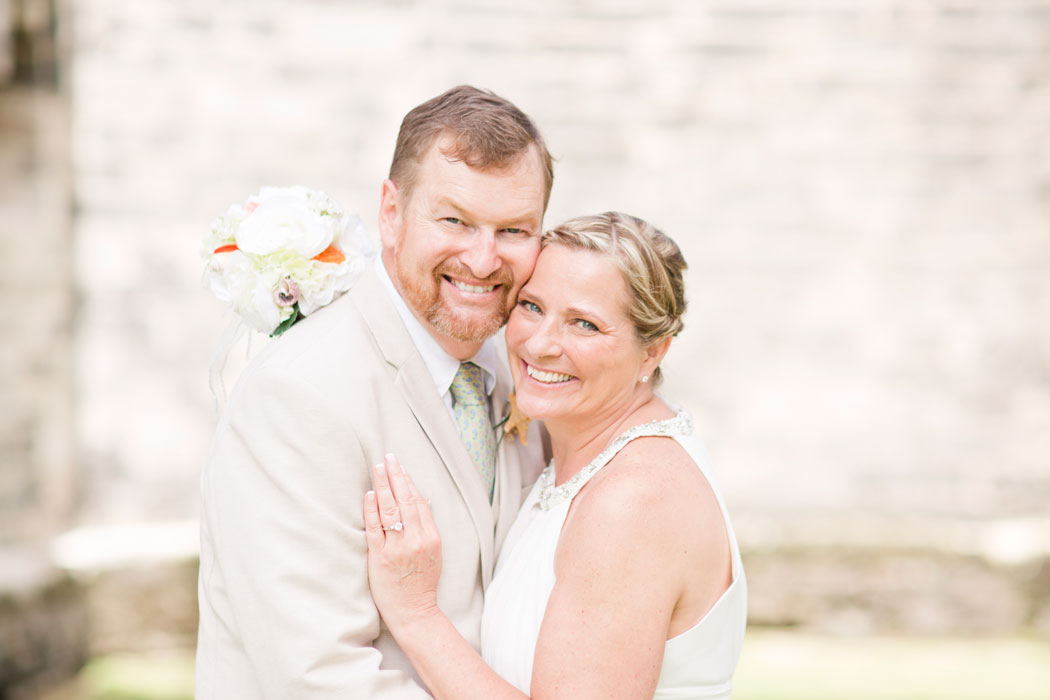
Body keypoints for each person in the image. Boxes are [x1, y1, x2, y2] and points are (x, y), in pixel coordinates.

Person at [196, 86, 554, 699]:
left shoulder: (527, 374)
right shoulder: (297, 395)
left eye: (514, 230)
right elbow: (318, 677)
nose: (484, 258)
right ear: (391, 212)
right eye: (454, 221)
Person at [363, 212, 747, 699]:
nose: (540, 344)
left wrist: (416, 617)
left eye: (584, 324)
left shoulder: (633, 502)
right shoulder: (586, 449)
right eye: (531, 306)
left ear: (652, 353)